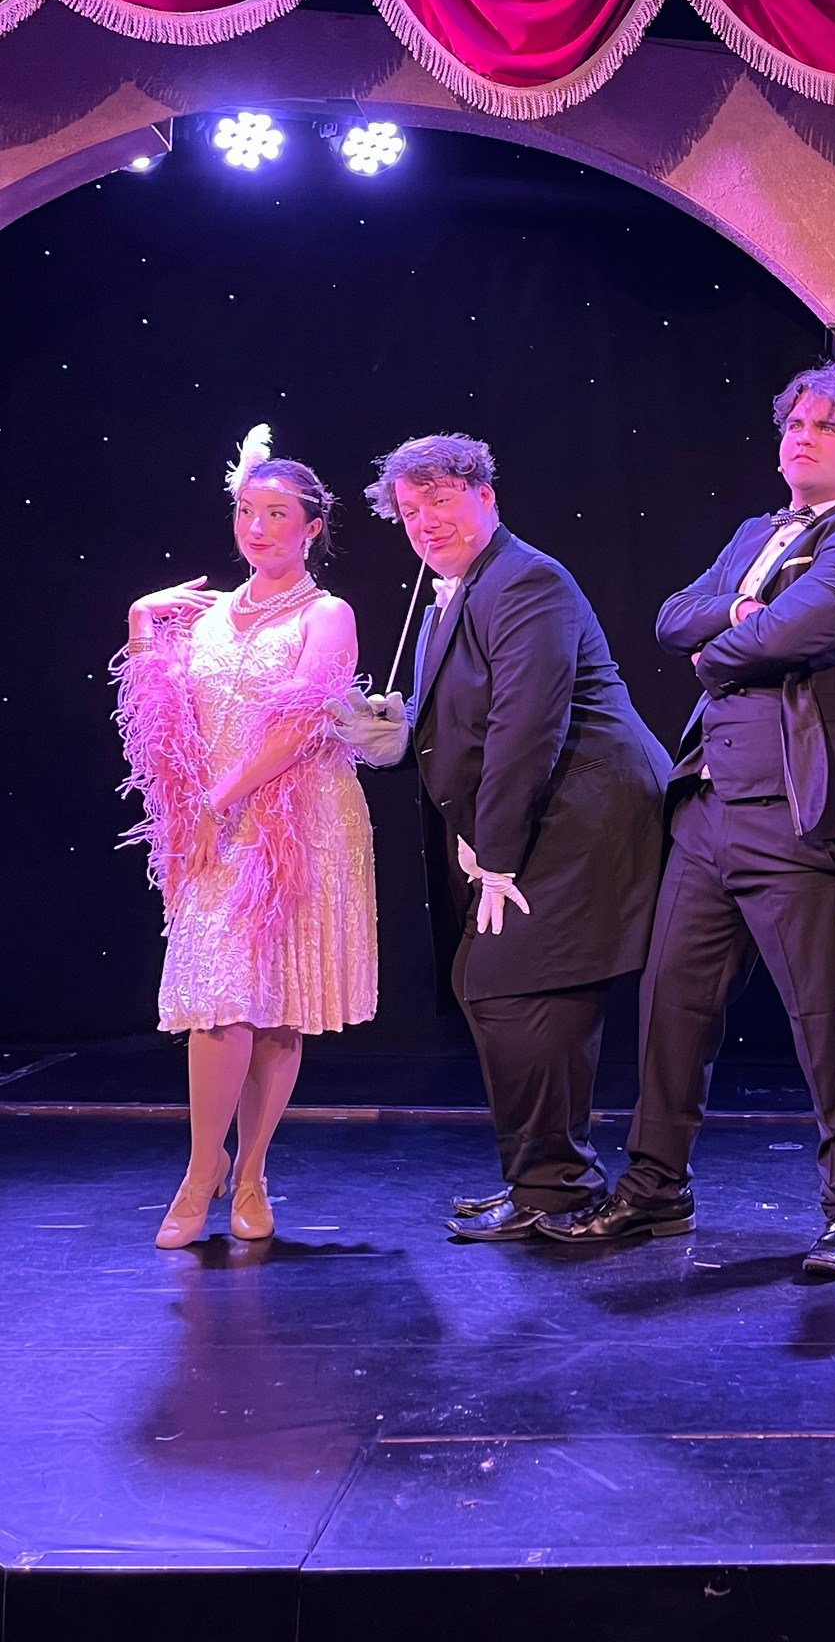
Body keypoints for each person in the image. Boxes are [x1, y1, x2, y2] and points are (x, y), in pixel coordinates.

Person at [541, 362, 835, 1277]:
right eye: (794, 421)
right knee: (673, 1007)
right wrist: (739, 608)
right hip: (707, 802)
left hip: (799, 811)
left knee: (823, 1015)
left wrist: (725, 646)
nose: (803, 435)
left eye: (827, 425)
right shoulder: (757, 531)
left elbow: (785, 636)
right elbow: (673, 617)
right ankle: (655, 1191)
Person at [364, 434, 672, 1242]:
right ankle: (546, 1181)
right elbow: (461, 723)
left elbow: (525, 728)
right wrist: (394, 736)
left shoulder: (528, 580)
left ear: (485, 497)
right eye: (409, 509)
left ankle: (557, 1185)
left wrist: (493, 855)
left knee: (512, 987)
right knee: (502, 987)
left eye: (439, 500)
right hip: (539, 818)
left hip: (585, 818)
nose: (424, 521)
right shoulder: (460, 590)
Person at [116, 426, 377, 1248]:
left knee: (272, 1011)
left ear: (311, 529)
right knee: (216, 1003)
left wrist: (219, 798)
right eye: (246, 512)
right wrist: (139, 625)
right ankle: (202, 1170)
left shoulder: (329, 615)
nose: (257, 528)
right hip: (214, 828)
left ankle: (253, 1170)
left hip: (293, 826)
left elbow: (302, 727)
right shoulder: (206, 617)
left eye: (276, 514)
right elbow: (157, 721)